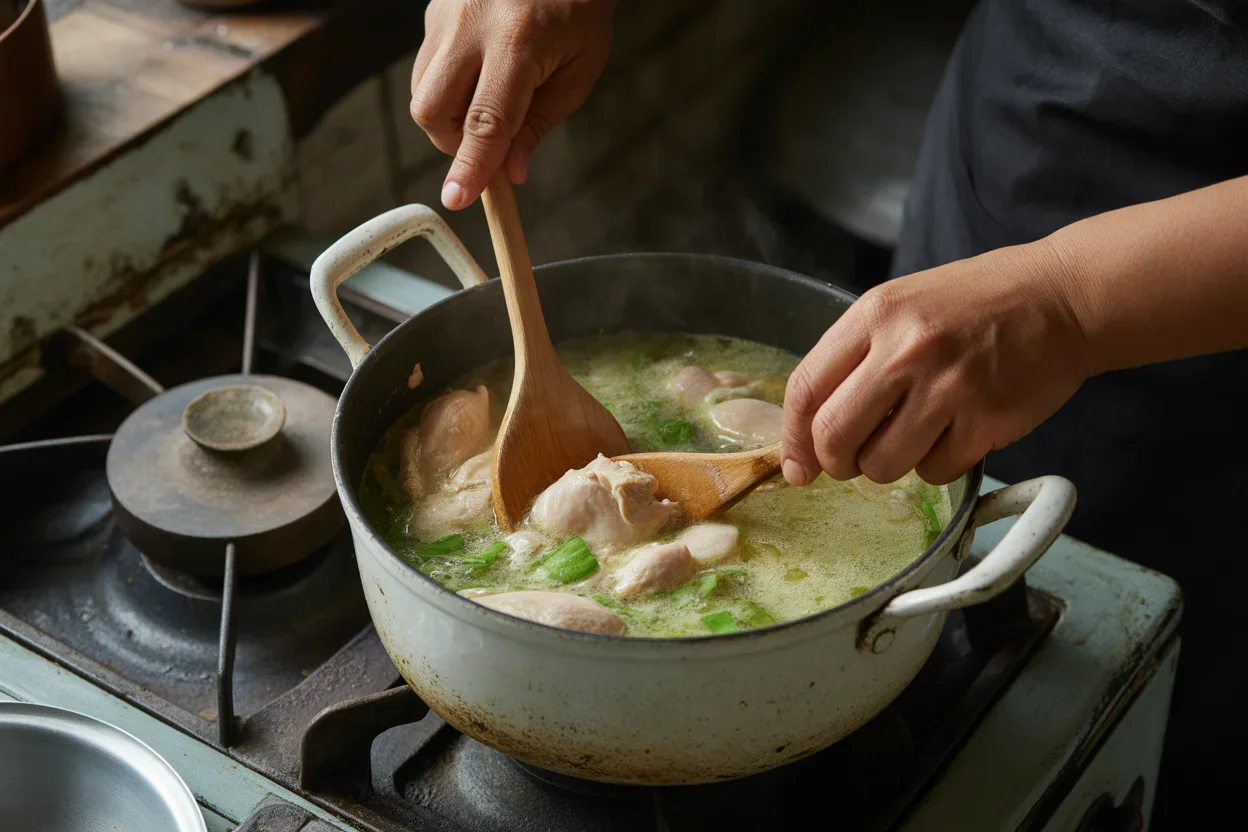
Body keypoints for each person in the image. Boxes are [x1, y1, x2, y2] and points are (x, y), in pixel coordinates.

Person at [408, 0, 1248, 824]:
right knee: (893, 412)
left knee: (1190, 731)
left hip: (1207, 352)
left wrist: (1066, 304)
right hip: (1022, 135)